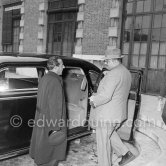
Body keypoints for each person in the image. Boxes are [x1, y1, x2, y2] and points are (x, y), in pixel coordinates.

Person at [89, 48, 135, 166]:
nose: (105, 64)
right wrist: (107, 77)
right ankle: (125, 153)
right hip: (117, 113)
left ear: (114, 61)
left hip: (107, 115)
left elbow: (105, 96)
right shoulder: (125, 72)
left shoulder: (113, 74)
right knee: (110, 134)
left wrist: (93, 100)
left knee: (103, 144)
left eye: (107, 61)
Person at [29, 56, 67, 166]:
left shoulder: (45, 78)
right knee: (52, 150)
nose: (64, 67)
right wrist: (55, 128)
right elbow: (55, 106)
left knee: (42, 146)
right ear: (55, 67)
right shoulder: (55, 81)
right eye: (62, 65)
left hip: (42, 118)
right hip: (51, 121)